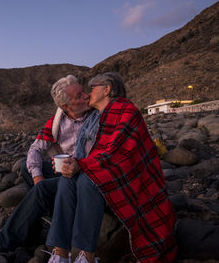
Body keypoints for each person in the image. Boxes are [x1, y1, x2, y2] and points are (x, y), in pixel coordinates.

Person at [46, 72, 177, 263]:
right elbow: (93, 153)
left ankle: (86, 255)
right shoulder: (97, 116)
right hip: (103, 171)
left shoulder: (126, 111)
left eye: (92, 88)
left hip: (129, 180)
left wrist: (80, 165)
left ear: (106, 89)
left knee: (87, 180)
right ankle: (60, 253)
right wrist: (71, 164)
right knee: (67, 181)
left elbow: (115, 154)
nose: (89, 93)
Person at [0, 74, 98, 253]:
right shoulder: (57, 123)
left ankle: (4, 242)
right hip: (66, 170)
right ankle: (43, 216)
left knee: (41, 190)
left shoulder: (95, 117)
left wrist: (42, 184)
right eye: (79, 96)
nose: (86, 96)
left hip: (85, 173)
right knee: (28, 167)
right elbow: (35, 150)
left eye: (83, 92)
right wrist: (38, 177)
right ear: (65, 106)